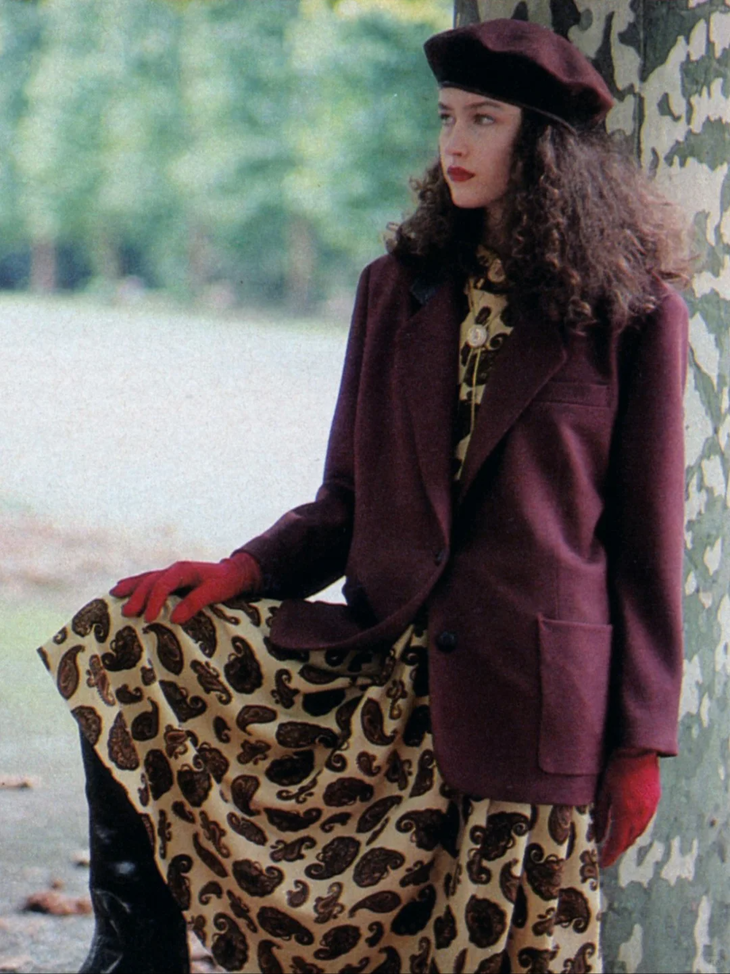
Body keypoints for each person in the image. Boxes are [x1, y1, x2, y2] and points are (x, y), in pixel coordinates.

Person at [38, 19, 690, 974]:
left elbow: (646, 548)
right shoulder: (396, 290)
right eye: (445, 117)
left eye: (484, 119)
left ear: (545, 145)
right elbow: (344, 500)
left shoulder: (634, 315)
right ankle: (132, 954)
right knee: (123, 637)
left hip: (528, 706)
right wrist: (239, 571)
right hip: (379, 679)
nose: (454, 143)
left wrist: (640, 743)